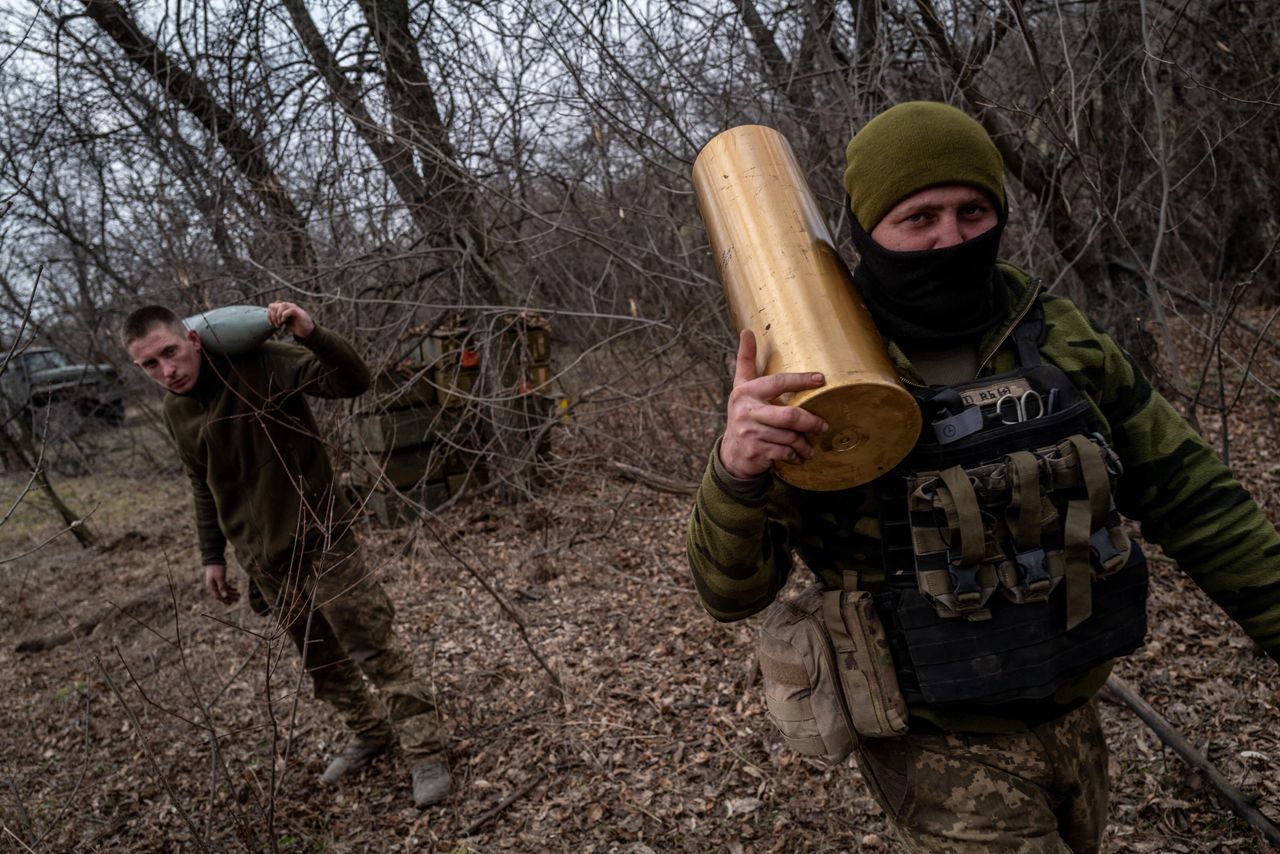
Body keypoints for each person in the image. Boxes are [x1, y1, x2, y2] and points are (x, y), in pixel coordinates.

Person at [687, 102, 1280, 851]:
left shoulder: (1055, 333)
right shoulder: (817, 378)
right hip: (940, 749)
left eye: (973, 210)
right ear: (868, 229)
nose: (951, 238)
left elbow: (1193, 498)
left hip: (1073, 713)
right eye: (919, 216)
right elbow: (730, 591)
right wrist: (736, 471)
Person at [122, 301, 451, 808]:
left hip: (321, 542)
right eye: (149, 364)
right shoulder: (175, 411)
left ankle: (426, 751)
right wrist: (213, 555)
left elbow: (352, 382)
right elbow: (202, 483)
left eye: (170, 353)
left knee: (374, 648)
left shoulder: (261, 363)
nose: (166, 371)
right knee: (321, 661)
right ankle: (370, 731)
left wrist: (311, 334)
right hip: (265, 563)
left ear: (191, 340)